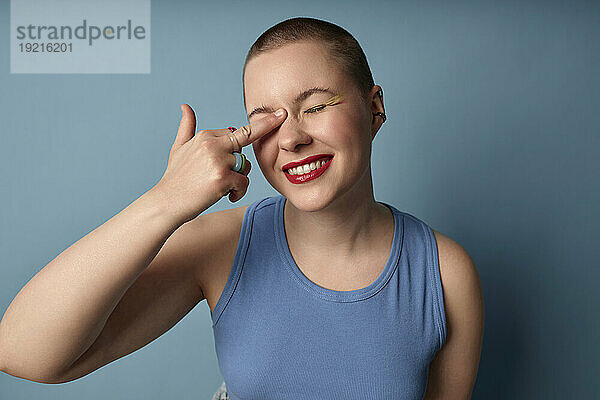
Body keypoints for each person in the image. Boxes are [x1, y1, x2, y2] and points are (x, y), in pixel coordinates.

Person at [0, 17, 484, 399]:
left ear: (374, 106)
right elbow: (22, 352)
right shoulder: (225, 246)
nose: (292, 137)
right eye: (267, 121)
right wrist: (166, 202)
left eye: (316, 106)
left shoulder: (444, 274)